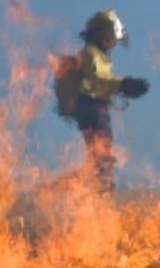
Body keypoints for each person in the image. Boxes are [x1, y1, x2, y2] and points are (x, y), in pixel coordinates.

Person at [53, 10, 149, 192]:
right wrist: (124, 85)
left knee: (99, 155)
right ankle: (90, 190)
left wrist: (122, 87)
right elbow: (98, 80)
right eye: (112, 36)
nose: (114, 41)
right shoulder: (90, 54)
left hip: (95, 108)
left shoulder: (98, 55)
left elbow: (100, 81)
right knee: (101, 155)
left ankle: (94, 187)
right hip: (91, 108)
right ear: (103, 34)